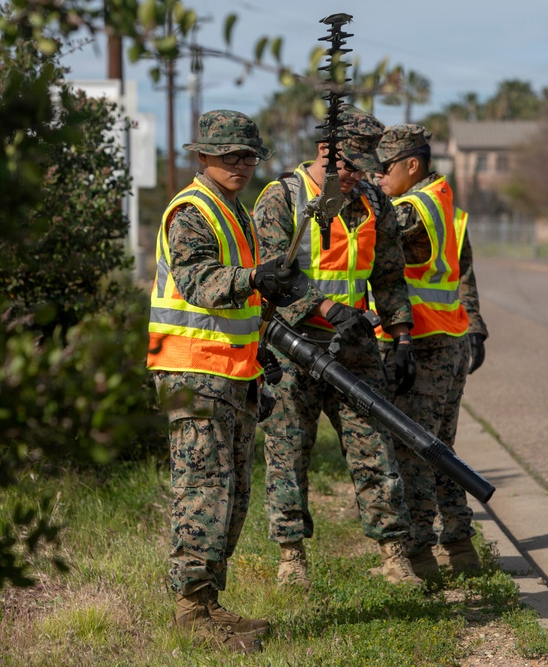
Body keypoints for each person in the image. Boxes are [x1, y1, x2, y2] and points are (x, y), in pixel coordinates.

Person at [147, 110, 303, 653]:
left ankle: (209, 603)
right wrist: (255, 276)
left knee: (231, 497)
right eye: (229, 155)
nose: (240, 164)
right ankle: (191, 611)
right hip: (194, 373)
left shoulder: (233, 211)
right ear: (203, 156)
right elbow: (198, 282)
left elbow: (241, 301)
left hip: (232, 372)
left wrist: (263, 347)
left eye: (248, 156)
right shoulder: (192, 211)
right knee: (203, 493)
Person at [252, 105, 424, 589]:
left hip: (354, 348)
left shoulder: (372, 200)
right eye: (346, 166)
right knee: (288, 453)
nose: (353, 177)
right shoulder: (282, 199)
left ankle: (394, 554)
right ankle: (291, 560)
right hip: (294, 347)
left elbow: (389, 276)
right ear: (324, 151)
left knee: (375, 447)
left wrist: (402, 336)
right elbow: (272, 276)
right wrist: (323, 308)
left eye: (363, 167)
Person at [374, 124, 490, 575]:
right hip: (448, 339)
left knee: (415, 451)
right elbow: (461, 274)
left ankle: (420, 555)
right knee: (441, 449)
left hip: (421, 345)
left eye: (385, 169)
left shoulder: (412, 208)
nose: (380, 177)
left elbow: (371, 234)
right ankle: (460, 545)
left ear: (412, 165)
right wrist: (474, 326)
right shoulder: (445, 204)